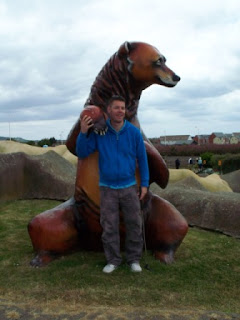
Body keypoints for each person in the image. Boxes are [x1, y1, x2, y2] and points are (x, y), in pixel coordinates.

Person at [76, 95, 149, 274]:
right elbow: (82, 152)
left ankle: (133, 259)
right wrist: (84, 132)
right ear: (109, 110)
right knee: (109, 225)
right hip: (107, 187)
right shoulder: (100, 132)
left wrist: (145, 183)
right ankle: (113, 260)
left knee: (134, 223)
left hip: (129, 186)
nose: (120, 111)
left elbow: (143, 159)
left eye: (122, 108)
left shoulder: (133, 133)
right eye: (116, 108)